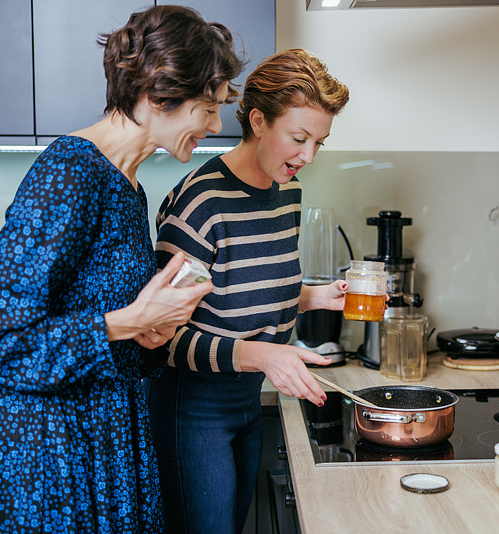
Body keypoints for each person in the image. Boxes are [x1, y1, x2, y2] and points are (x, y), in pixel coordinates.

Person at [0, 6, 242, 533]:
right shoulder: (69, 172)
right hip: (46, 462)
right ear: (160, 95)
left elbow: (100, 327)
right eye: (208, 107)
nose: (217, 125)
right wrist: (127, 322)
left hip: (102, 442)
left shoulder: (128, 183)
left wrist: (146, 334)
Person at [148, 49, 350, 534]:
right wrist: (264, 356)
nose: (308, 157)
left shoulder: (289, 193)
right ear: (258, 120)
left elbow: (245, 286)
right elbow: (164, 335)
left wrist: (315, 297)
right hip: (194, 410)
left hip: (247, 398)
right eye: (299, 138)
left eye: (319, 142)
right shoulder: (202, 204)